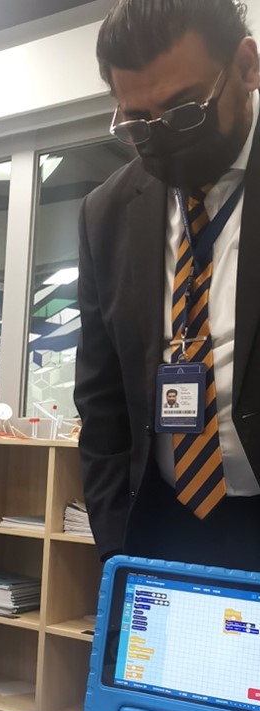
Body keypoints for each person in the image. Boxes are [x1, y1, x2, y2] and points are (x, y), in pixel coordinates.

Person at [74, 0, 260, 572]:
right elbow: (101, 400)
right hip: (158, 527)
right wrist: (117, 546)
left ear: (247, 67)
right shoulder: (105, 212)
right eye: (137, 123)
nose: (161, 138)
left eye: (183, 112)